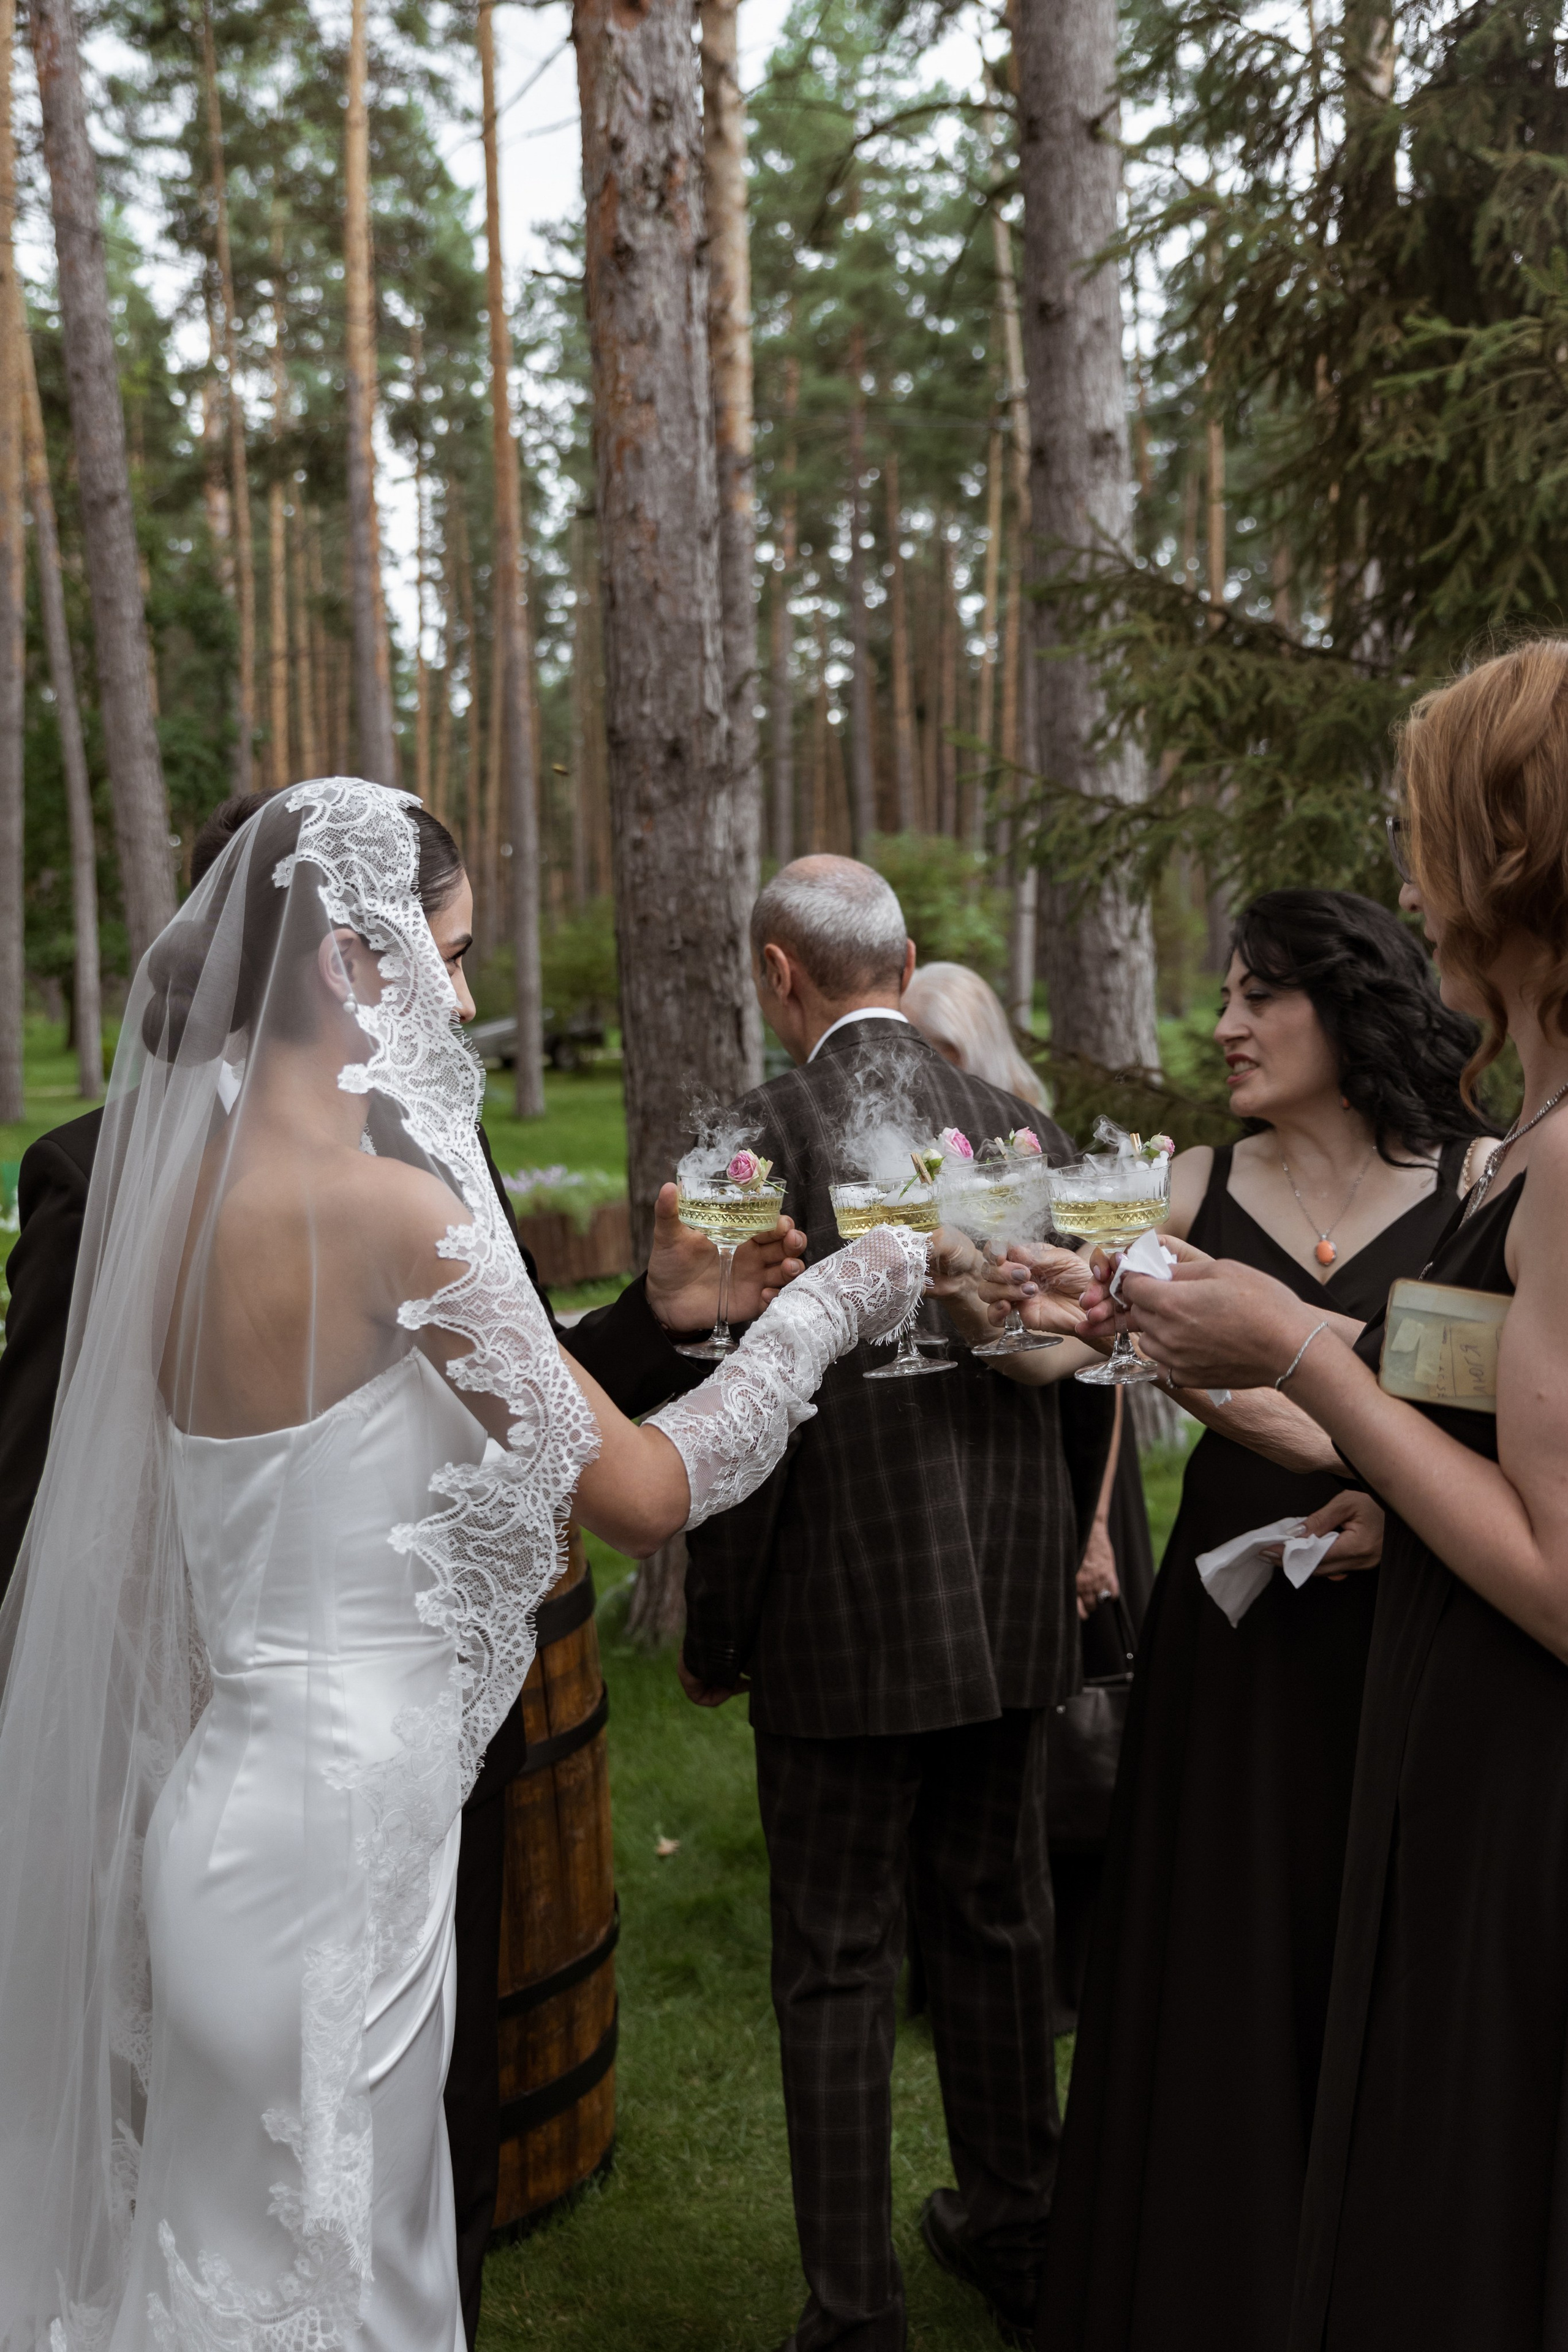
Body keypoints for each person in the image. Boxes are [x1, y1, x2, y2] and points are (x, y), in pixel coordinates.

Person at [0, 782, 934, 2349]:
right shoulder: (393, 1211)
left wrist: (660, 1313)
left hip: (230, 1806)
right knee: (344, 2293)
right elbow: (639, 1493)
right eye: (449, 952)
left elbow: (384, 1429)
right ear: (342, 966)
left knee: (230, 2261)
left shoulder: (168, 1213)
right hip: (341, 1848)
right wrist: (838, 1305)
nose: (468, 996)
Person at [1090, 641, 1568, 2349]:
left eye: (1429, 835)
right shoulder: (1527, 1130)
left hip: (1517, 1780)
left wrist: (1304, 1356)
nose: (1414, 879)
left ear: (1515, 856)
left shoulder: (1561, 1156)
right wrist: (1386, 1494)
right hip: (1413, 1715)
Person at [1033, 889, 1488, 2351]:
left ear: (1345, 1009)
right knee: (1220, 1958)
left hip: (1407, 1619)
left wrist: (1336, 1449)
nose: (1221, 1026)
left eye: (1255, 997)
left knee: (1386, 1956)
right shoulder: (1184, 1184)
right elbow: (1069, 1330)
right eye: (1222, 997)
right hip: (1230, 1640)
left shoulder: (1479, 1186)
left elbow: (1493, 1422)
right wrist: (1016, 1301)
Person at [680, 856, 1112, 2352]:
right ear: (906, 958)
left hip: (836, 1612)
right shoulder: (1017, 1125)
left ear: (777, 977)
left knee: (838, 1958)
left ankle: (854, 2314)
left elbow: (730, 1408)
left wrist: (715, 1632)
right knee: (999, 1921)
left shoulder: (753, 1138)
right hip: (1006, 1602)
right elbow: (1071, 1378)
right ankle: (1019, 2233)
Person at [902, 960, 1155, 2030]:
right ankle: (973, 1957)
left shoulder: (1036, 1150)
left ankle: (1080, 1962)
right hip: (983, 1448)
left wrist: (1095, 1529)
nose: (932, 1079)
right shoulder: (912, 1165)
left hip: (1072, 1457)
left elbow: (1105, 1364)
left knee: (1088, 1715)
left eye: (946, 1057)